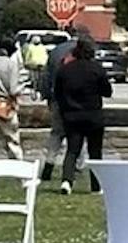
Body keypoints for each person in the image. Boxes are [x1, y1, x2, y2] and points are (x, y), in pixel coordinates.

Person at [42, 37, 111, 189]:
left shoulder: (65, 70)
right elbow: (107, 91)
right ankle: (96, 185)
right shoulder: (96, 69)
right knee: (95, 152)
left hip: (72, 115)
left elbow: (58, 93)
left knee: (72, 150)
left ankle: (67, 180)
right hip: (93, 114)